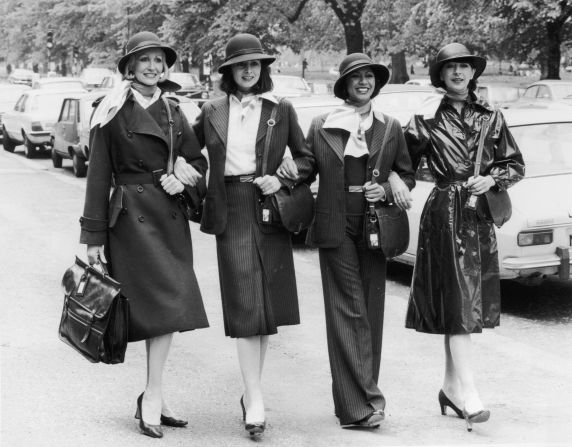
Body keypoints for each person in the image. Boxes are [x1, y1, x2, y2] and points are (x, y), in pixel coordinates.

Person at [177, 33, 313, 437]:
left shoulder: (280, 108)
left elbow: (306, 159)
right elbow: (187, 151)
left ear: (263, 70)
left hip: (269, 204)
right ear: (229, 72)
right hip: (231, 206)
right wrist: (191, 175)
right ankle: (254, 397)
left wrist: (283, 176)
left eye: (256, 64)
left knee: (265, 306)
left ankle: (251, 392)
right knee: (243, 303)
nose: (250, 70)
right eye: (242, 65)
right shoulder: (212, 109)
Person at [79, 31, 209, 439]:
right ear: (130, 67)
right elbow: (98, 174)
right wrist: (93, 236)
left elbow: (197, 161)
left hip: (168, 215)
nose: (153, 67)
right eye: (145, 60)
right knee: (153, 309)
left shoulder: (173, 110)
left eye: (159, 60)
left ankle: (153, 394)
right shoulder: (110, 108)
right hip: (130, 219)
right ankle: (153, 396)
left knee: (169, 306)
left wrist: (183, 180)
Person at [399, 43, 525, 431]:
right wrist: (393, 182)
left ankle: (451, 388)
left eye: (464, 67)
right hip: (442, 215)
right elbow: (400, 164)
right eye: (450, 67)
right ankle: (469, 394)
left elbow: (515, 164)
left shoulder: (492, 116)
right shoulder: (424, 118)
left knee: (465, 303)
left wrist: (493, 177)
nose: (457, 73)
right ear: (440, 74)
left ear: (473, 73)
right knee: (458, 300)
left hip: (478, 215)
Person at [301, 53, 415, 429]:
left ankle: (358, 401)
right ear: (345, 85)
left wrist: (387, 186)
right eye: (356, 77)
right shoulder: (322, 124)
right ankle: (362, 404)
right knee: (347, 309)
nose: (363, 82)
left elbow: (406, 174)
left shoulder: (391, 126)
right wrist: (283, 171)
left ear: (376, 84)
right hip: (336, 223)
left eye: (369, 77)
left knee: (371, 309)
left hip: (375, 225)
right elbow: (305, 167)